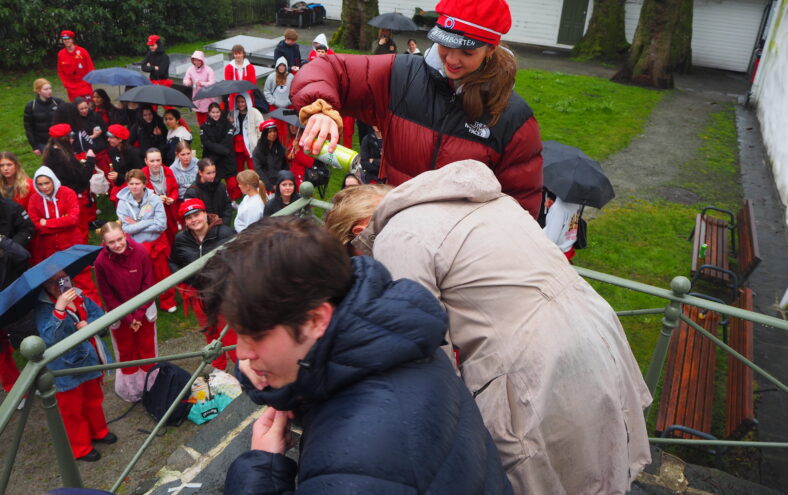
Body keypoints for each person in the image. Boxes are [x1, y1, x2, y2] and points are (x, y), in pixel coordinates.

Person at [324, 160, 652, 494]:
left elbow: (426, 357)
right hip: (594, 328)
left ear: (360, 232)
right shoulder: (483, 201)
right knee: (599, 459)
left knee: (544, 475)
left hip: (534, 362)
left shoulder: (395, 236)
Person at [199, 216, 512, 494]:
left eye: (255, 335)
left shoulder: (356, 460)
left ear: (315, 320)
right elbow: (320, 376)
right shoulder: (390, 335)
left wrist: (260, 471)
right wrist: (264, 378)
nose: (241, 353)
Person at [292, 0, 543, 218]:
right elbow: (328, 68)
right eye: (445, 45)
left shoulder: (514, 118)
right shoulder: (401, 75)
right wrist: (320, 106)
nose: (452, 60)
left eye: (467, 52)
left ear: (491, 49)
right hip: (393, 228)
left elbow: (520, 209)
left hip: (458, 249)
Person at [36, 270, 115, 462]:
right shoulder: (43, 308)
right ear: (45, 286)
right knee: (72, 410)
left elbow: (99, 315)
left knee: (94, 398)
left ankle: (98, 431)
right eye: (53, 282)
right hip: (64, 368)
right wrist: (60, 309)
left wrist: (89, 324)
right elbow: (49, 338)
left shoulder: (79, 296)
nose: (60, 285)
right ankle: (80, 447)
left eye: (63, 279)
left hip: (88, 359)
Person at [94, 222, 157, 402]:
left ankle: (152, 387)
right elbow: (107, 295)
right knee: (126, 352)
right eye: (111, 242)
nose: (117, 245)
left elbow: (148, 285)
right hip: (119, 316)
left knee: (147, 349)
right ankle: (131, 391)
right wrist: (129, 318)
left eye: (119, 239)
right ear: (105, 243)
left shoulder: (141, 251)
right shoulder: (100, 262)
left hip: (144, 312)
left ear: (125, 235)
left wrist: (138, 315)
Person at [169, 199, 236, 370]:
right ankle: (219, 369)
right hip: (199, 295)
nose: (194, 220)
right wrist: (190, 280)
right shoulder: (181, 239)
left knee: (230, 334)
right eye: (189, 217)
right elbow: (174, 262)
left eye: (197, 214)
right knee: (209, 332)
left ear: (205, 214)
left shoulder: (224, 232)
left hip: (223, 294)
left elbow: (238, 258)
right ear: (185, 222)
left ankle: (242, 369)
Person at [27, 166, 101, 306]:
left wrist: (47, 223)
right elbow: (36, 226)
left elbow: (73, 219)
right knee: (63, 284)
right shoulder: (34, 200)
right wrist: (62, 221)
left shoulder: (67, 193)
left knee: (83, 279)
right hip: (52, 250)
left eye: (47, 183)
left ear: (53, 181)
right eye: (40, 184)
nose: (44, 187)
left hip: (73, 246)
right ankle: (76, 312)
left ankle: (96, 311)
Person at [116, 169, 177, 313]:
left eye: (137, 183)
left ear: (144, 184)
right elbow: (126, 229)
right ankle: (147, 303)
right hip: (136, 246)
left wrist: (137, 225)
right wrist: (149, 221)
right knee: (141, 276)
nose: (134, 187)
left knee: (162, 273)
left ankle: (168, 301)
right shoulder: (122, 203)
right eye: (131, 184)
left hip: (156, 244)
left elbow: (161, 225)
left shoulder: (155, 199)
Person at [0, 197, 34, 398]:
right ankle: (13, 387)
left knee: (25, 332)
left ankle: (39, 374)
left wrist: (7, 247)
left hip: (12, 277)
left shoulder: (10, 207)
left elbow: (27, 229)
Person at [42, 123, 97, 244]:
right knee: (81, 228)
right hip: (75, 197)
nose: (73, 139)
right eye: (70, 136)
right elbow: (84, 177)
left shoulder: (49, 154)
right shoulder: (66, 159)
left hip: (60, 197)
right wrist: (90, 160)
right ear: (64, 139)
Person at [141, 148, 179, 246]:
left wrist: (173, 198)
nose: (156, 164)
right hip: (152, 213)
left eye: (158, 160)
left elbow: (175, 188)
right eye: (152, 161)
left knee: (172, 233)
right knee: (160, 238)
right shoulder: (142, 175)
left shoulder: (168, 171)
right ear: (146, 161)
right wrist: (156, 199)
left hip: (169, 208)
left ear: (161, 159)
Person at [200, 103, 236, 199]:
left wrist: (222, 151)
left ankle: (232, 200)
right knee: (213, 185)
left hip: (226, 159)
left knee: (232, 185)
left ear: (221, 112)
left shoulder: (228, 125)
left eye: (217, 112)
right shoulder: (203, 127)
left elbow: (228, 141)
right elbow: (207, 143)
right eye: (213, 112)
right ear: (209, 113)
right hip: (212, 159)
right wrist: (220, 153)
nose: (215, 114)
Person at [183, 159, 233, 226]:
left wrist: (225, 222)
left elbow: (228, 205)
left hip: (222, 225)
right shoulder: (191, 193)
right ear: (200, 173)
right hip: (203, 227)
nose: (212, 176)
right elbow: (191, 215)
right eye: (208, 173)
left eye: (213, 172)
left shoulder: (221, 186)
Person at [24, 78, 64, 155]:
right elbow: (28, 127)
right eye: (46, 89)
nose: (49, 91)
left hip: (59, 140)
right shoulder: (31, 106)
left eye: (50, 88)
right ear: (38, 91)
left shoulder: (58, 102)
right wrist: (34, 146)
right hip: (42, 142)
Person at [542, 188, 582, 262]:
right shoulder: (576, 203)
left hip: (556, 254)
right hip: (568, 246)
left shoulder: (558, 208)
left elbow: (551, 239)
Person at [74, 97, 110, 178]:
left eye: (86, 108)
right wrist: (93, 136)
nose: (84, 110)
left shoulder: (94, 115)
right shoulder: (75, 121)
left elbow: (105, 129)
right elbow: (79, 140)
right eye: (81, 109)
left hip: (101, 150)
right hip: (87, 153)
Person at [231, 94, 263, 181]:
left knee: (253, 167)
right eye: (238, 102)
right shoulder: (234, 113)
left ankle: (254, 184)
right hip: (238, 142)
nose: (240, 104)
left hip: (250, 143)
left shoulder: (254, 112)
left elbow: (261, 129)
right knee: (238, 167)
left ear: (247, 101)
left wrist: (259, 143)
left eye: (242, 102)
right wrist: (231, 123)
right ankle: (240, 184)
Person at [106, 124, 144, 195]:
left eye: (111, 138)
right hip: (120, 188)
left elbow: (139, 174)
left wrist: (119, 176)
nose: (108, 140)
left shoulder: (133, 153)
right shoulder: (113, 151)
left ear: (120, 139)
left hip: (133, 189)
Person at [57, 30, 94, 101]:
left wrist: (88, 82)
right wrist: (66, 84)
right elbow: (60, 71)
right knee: (75, 106)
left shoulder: (82, 52)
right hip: (71, 88)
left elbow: (90, 68)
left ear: (72, 40)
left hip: (84, 85)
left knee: (89, 105)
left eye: (68, 39)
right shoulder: (61, 54)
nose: (66, 41)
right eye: (64, 39)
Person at [263, 57, 294, 141]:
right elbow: (266, 91)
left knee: (288, 128)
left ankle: (287, 145)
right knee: (276, 128)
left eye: (283, 65)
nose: (281, 67)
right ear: (277, 66)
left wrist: (289, 102)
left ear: (286, 66)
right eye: (280, 65)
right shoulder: (271, 77)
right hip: (275, 107)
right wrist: (273, 101)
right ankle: (277, 145)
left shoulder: (291, 77)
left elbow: (294, 91)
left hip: (288, 107)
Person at [252, 120, 287, 193]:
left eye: (274, 131)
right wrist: (270, 186)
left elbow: (285, 166)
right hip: (266, 186)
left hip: (280, 183)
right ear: (265, 134)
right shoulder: (258, 151)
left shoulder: (280, 148)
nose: (273, 134)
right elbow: (258, 170)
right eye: (269, 132)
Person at [182, 50, 216, 126]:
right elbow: (185, 80)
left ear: (202, 60)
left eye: (198, 60)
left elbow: (212, 83)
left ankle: (208, 131)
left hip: (207, 98)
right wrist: (188, 82)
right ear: (192, 60)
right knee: (199, 119)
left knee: (208, 119)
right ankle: (202, 131)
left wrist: (201, 83)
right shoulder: (190, 69)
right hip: (197, 97)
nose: (197, 62)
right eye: (195, 60)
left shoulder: (209, 70)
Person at [224, 44, 256, 111]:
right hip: (234, 96)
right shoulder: (228, 68)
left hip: (247, 96)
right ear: (233, 55)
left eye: (239, 53)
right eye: (236, 54)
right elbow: (228, 84)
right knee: (235, 115)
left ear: (243, 54)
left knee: (248, 114)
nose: (238, 55)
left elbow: (252, 84)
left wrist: (244, 95)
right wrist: (237, 96)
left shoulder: (250, 67)